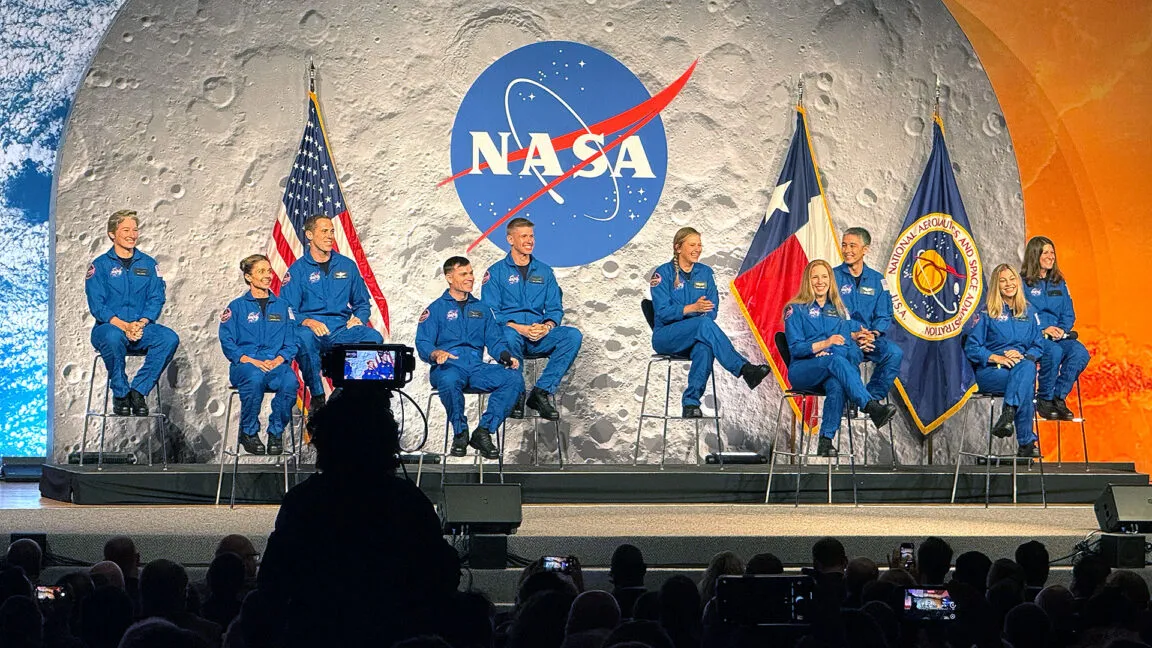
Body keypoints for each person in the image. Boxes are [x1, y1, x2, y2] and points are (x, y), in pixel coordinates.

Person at [257, 389, 461, 648]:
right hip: (397, 632)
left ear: (324, 445)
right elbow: (442, 573)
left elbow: (273, 580)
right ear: (388, 446)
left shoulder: (303, 501)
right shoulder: (408, 501)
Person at [649, 227, 770, 418]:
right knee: (703, 326)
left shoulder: (706, 273)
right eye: (692, 244)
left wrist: (696, 314)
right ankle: (744, 369)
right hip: (666, 336)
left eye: (699, 244)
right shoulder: (662, 274)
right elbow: (663, 313)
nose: (698, 248)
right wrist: (693, 309)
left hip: (697, 333)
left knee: (705, 347)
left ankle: (690, 404)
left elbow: (712, 310)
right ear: (678, 247)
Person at [783, 260, 898, 456]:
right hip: (803, 369)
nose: (820, 281)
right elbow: (795, 349)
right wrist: (824, 344)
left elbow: (848, 334)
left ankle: (825, 440)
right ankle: (870, 406)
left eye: (825, 277)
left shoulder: (837, 309)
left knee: (837, 383)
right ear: (807, 281)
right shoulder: (795, 309)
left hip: (830, 367)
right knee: (835, 360)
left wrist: (861, 337)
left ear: (831, 280)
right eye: (815, 277)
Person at [416, 256, 523, 459]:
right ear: (449, 277)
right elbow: (423, 342)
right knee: (449, 380)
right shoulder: (436, 309)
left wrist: (505, 356)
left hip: (475, 367)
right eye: (463, 274)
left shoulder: (481, 309)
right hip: (449, 366)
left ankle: (483, 432)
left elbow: (494, 340)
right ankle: (460, 432)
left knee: (513, 378)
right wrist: (435, 353)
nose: (470, 278)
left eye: (471, 273)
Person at [480, 218, 583, 420]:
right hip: (511, 335)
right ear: (510, 239)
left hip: (538, 336)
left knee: (572, 336)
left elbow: (555, 308)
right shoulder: (495, 273)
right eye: (524, 236)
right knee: (508, 335)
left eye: (531, 236)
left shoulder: (544, 271)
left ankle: (541, 392)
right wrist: (520, 328)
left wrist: (547, 326)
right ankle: (516, 392)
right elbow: (491, 313)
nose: (529, 240)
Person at [279, 214, 383, 414]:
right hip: (313, 331)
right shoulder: (298, 270)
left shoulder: (347, 266)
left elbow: (362, 303)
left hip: (341, 329)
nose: (330, 236)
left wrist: (358, 318)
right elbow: (287, 310)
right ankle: (318, 396)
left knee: (373, 337)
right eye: (324, 231)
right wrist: (307, 321)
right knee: (302, 336)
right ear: (309, 235)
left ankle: (345, 390)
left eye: (332, 231)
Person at [85, 209, 180, 417]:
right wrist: (124, 325)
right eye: (126, 229)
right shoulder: (99, 266)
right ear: (112, 234)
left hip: (141, 327)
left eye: (135, 230)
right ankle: (120, 393)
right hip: (108, 328)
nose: (132, 234)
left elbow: (156, 297)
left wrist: (142, 322)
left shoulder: (148, 264)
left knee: (168, 338)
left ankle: (138, 391)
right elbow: (97, 305)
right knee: (112, 336)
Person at [219, 255, 299, 455]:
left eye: (269, 271)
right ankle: (249, 432)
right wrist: (248, 359)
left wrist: (279, 360)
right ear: (248, 277)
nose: (267, 276)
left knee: (290, 382)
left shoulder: (283, 307)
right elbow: (227, 340)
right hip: (245, 365)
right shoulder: (236, 307)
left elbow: (291, 342)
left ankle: (275, 433)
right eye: (261, 272)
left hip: (274, 363)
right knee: (254, 379)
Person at [963, 263, 1044, 457]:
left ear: (1018, 281)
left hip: (1020, 367)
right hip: (991, 372)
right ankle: (1025, 442)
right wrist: (995, 356)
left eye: (1012, 279)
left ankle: (1008, 414)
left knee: (1026, 370)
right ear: (996, 286)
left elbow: (1038, 345)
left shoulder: (1029, 312)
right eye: (1002, 281)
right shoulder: (986, 312)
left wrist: (1023, 356)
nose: (1008, 284)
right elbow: (972, 347)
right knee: (1025, 380)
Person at [1021, 236, 1091, 420]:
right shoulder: (1022, 283)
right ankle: (1043, 399)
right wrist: (1043, 330)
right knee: (1053, 351)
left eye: (1052, 252)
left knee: (1080, 353)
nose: (1051, 256)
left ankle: (1058, 398)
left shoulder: (1059, 282)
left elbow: (1069, 313)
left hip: (1059, 336)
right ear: (1035, 255)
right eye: (1046, 252)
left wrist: (1061, 330)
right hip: (1034, 337)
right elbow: (1021, 314)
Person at [834, 228, 903, 402]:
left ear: (865, 249)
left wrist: (872, 334)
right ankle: (850, 400)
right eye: (844, 245)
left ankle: (871, 401)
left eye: (852, 245)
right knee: (850, 354)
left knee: (894, 353)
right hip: (843, 338)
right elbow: (826, 314)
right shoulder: (832, 277)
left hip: (869, 339)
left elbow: (884, 315)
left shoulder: (878, 280)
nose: (847, 250)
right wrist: (852, 335)